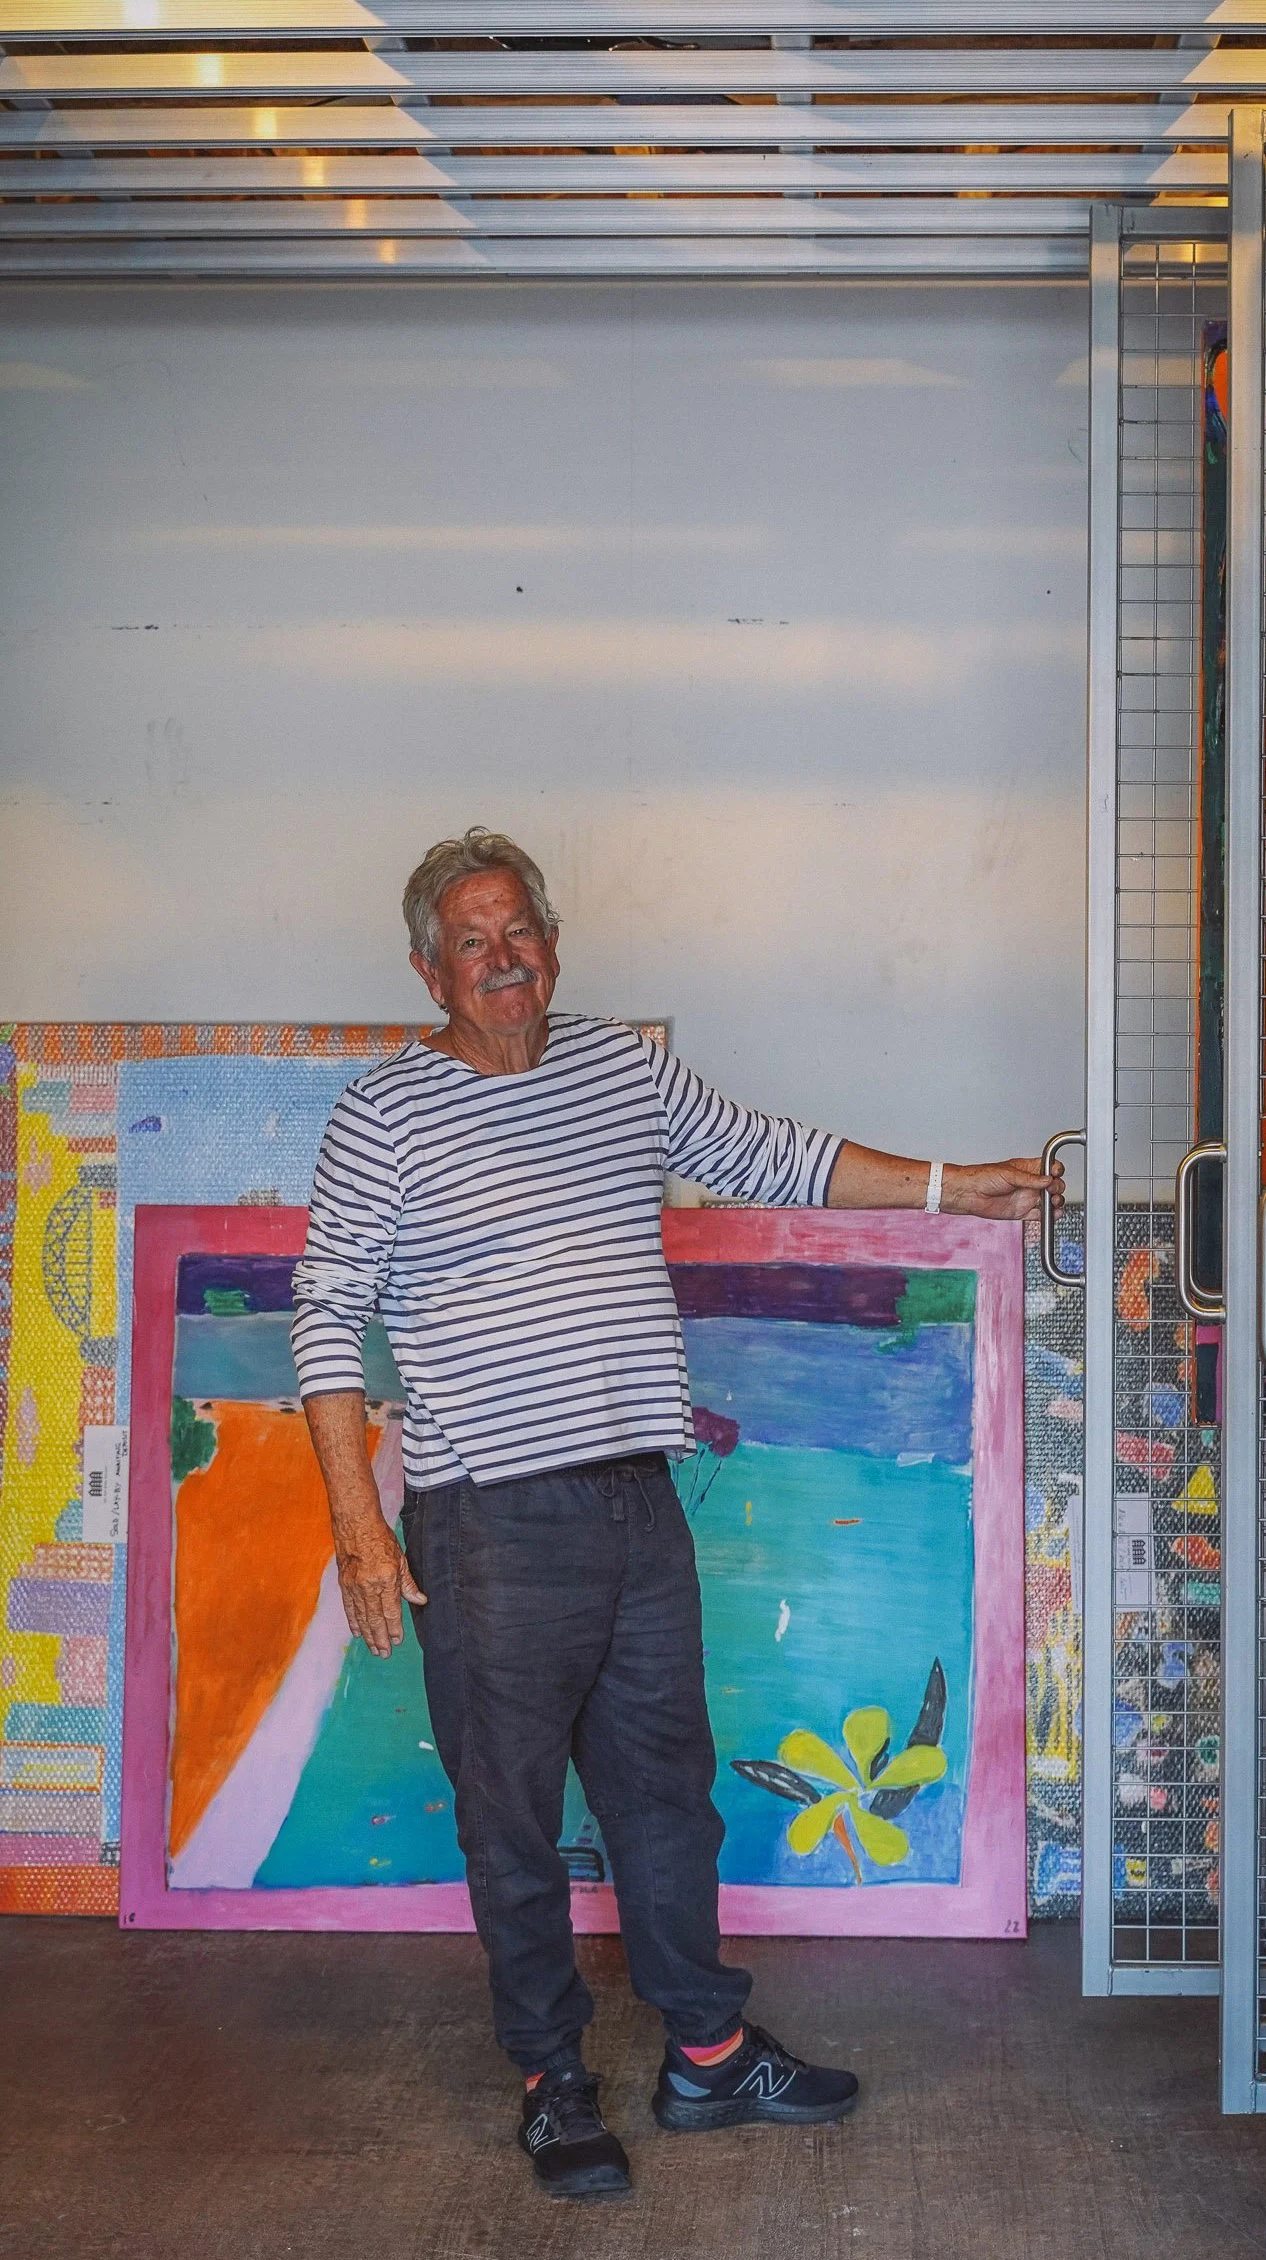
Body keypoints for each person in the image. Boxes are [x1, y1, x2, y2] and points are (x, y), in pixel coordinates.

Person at [292, 827, 1056, 2205]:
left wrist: (959, 1187)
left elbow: (776, 1153)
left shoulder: (618, 1071)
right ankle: (552, 2078)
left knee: (666, 1803)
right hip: (489, 1524)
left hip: (635, 1504)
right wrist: (361, 1525)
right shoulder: (383, 1118)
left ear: (554, 941)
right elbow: (328, 1316)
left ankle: (706, 2051)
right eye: (473, 940)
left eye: (519, 927)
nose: (505, 956)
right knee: (511, 1819)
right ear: (429, 970)